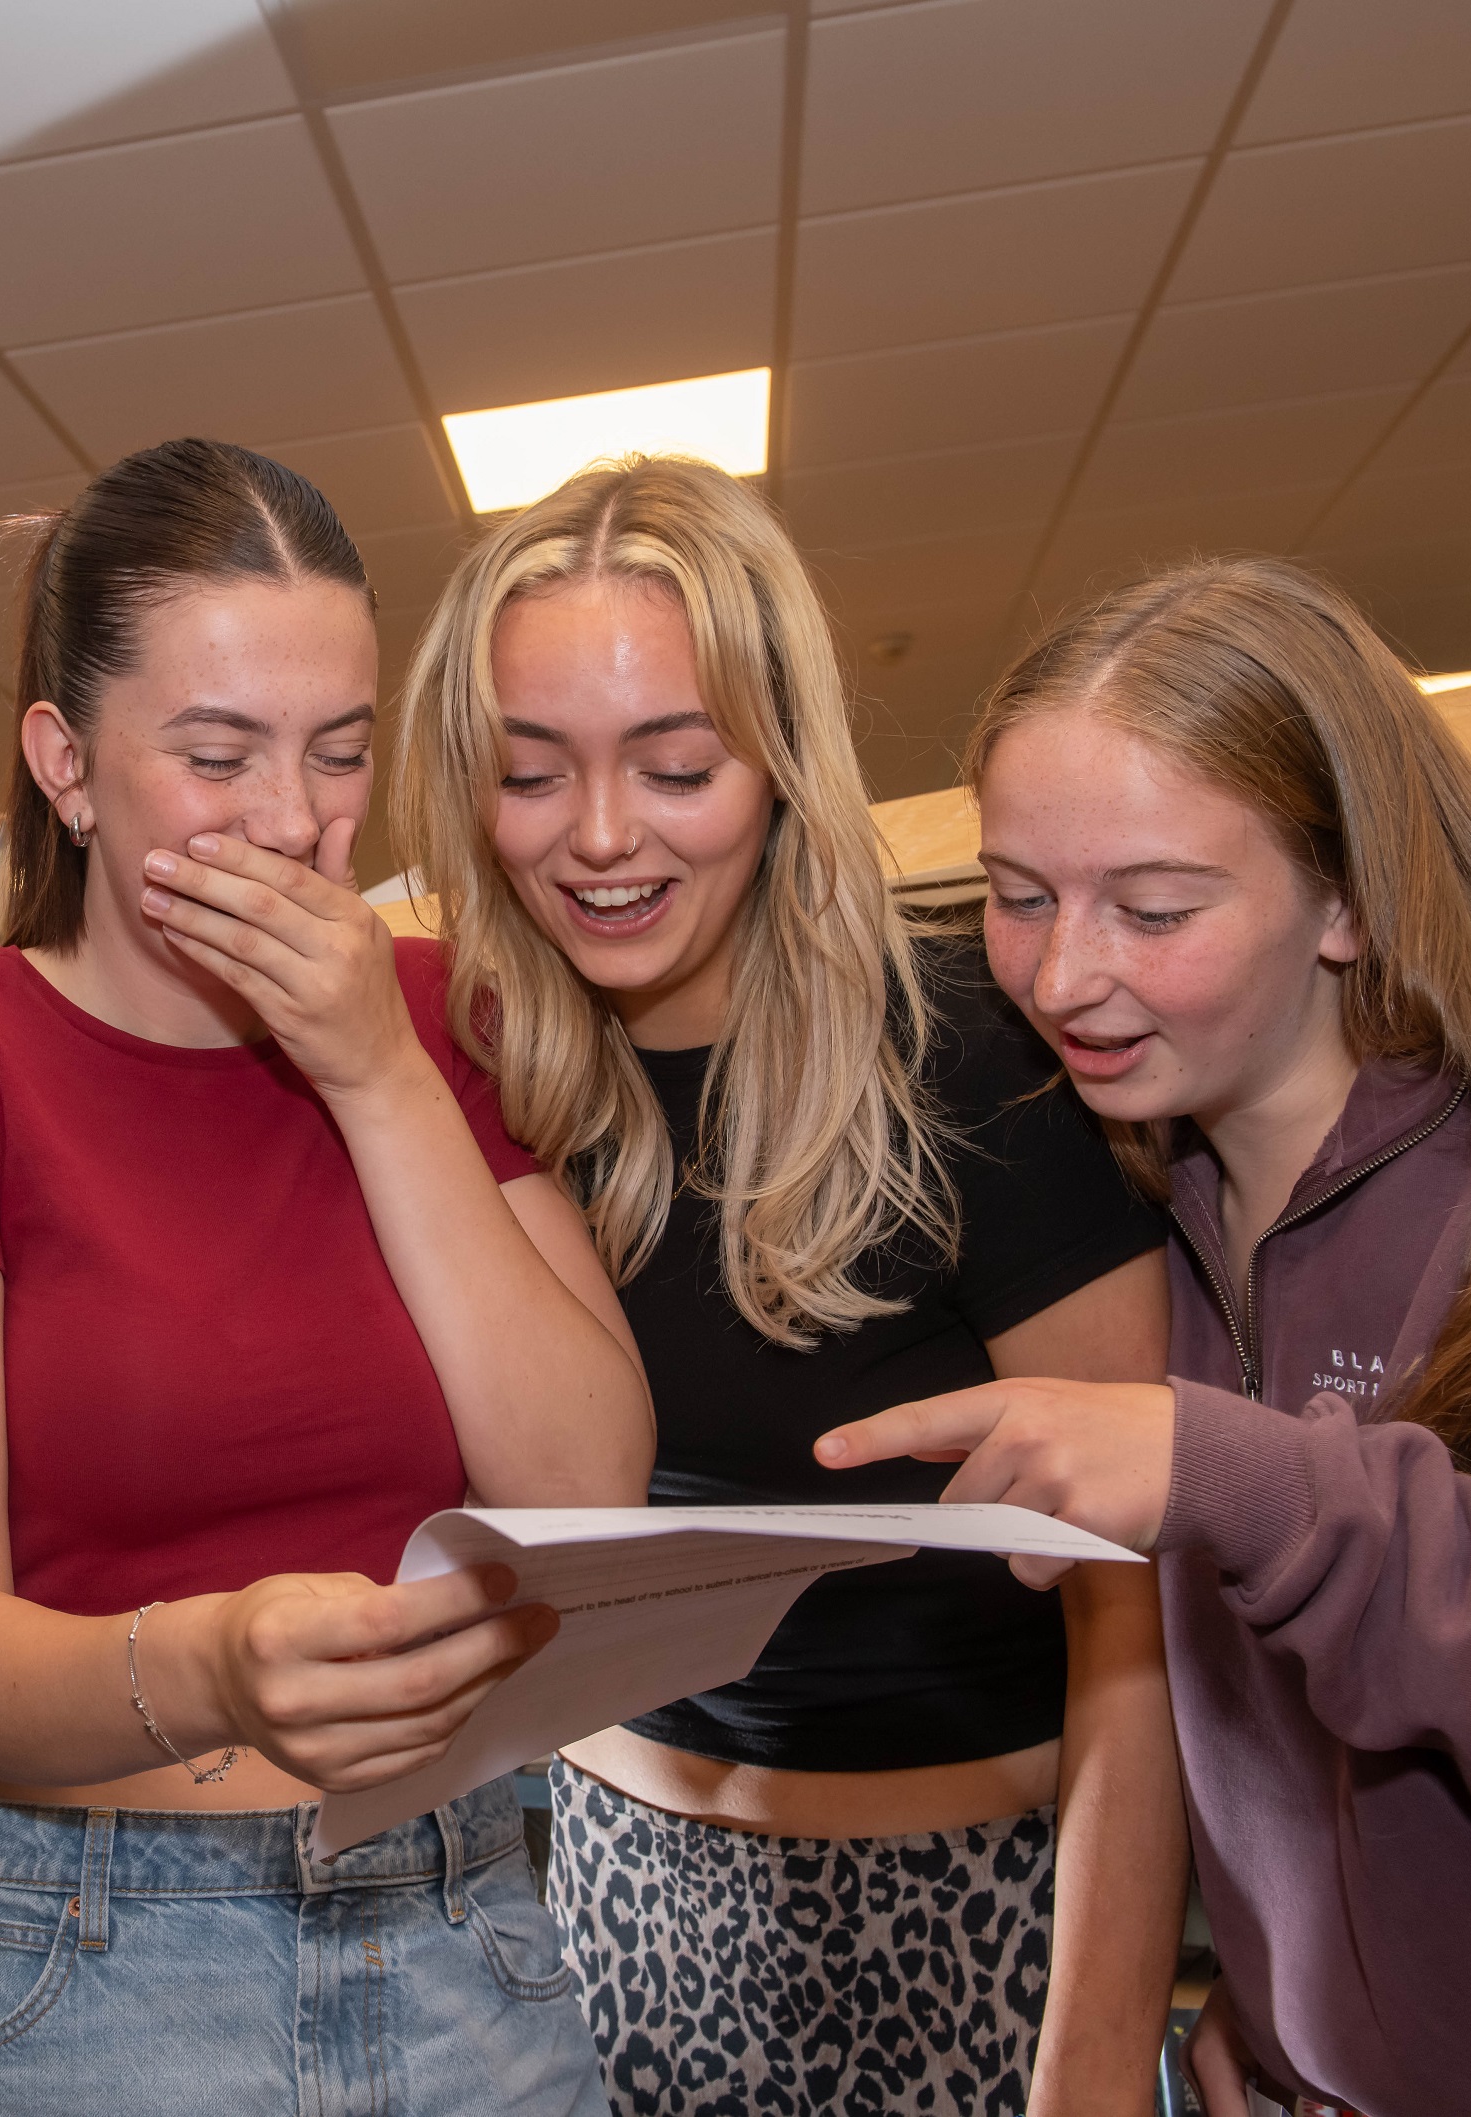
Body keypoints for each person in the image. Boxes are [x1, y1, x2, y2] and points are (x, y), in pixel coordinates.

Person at [817, 556, 1471, 2116]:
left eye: (1155, 907)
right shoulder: (1134, 1184)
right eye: (1014, 896)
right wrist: (1277, 2026)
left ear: (1346, 897)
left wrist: (1249, 1478)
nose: (1062, 975)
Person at [0, 437, 652, 2115]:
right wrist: (213, 1662)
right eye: (214, 754)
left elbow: (582, 1491)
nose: (292, 824)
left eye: (338, 753)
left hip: (454, 1923)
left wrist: (375, 1070)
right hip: (57, 1952)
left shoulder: (443, 1013)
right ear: (67, 762)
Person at [391, 456, 1186, 2117]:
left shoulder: (970, 1052)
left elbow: (1143, 1607)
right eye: (530, 776)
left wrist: (1101, 2049)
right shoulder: (470, 1075)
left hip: (964, 1906)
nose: (601, 838)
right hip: (613, 1890)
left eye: (674, 767)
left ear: (776, 765)